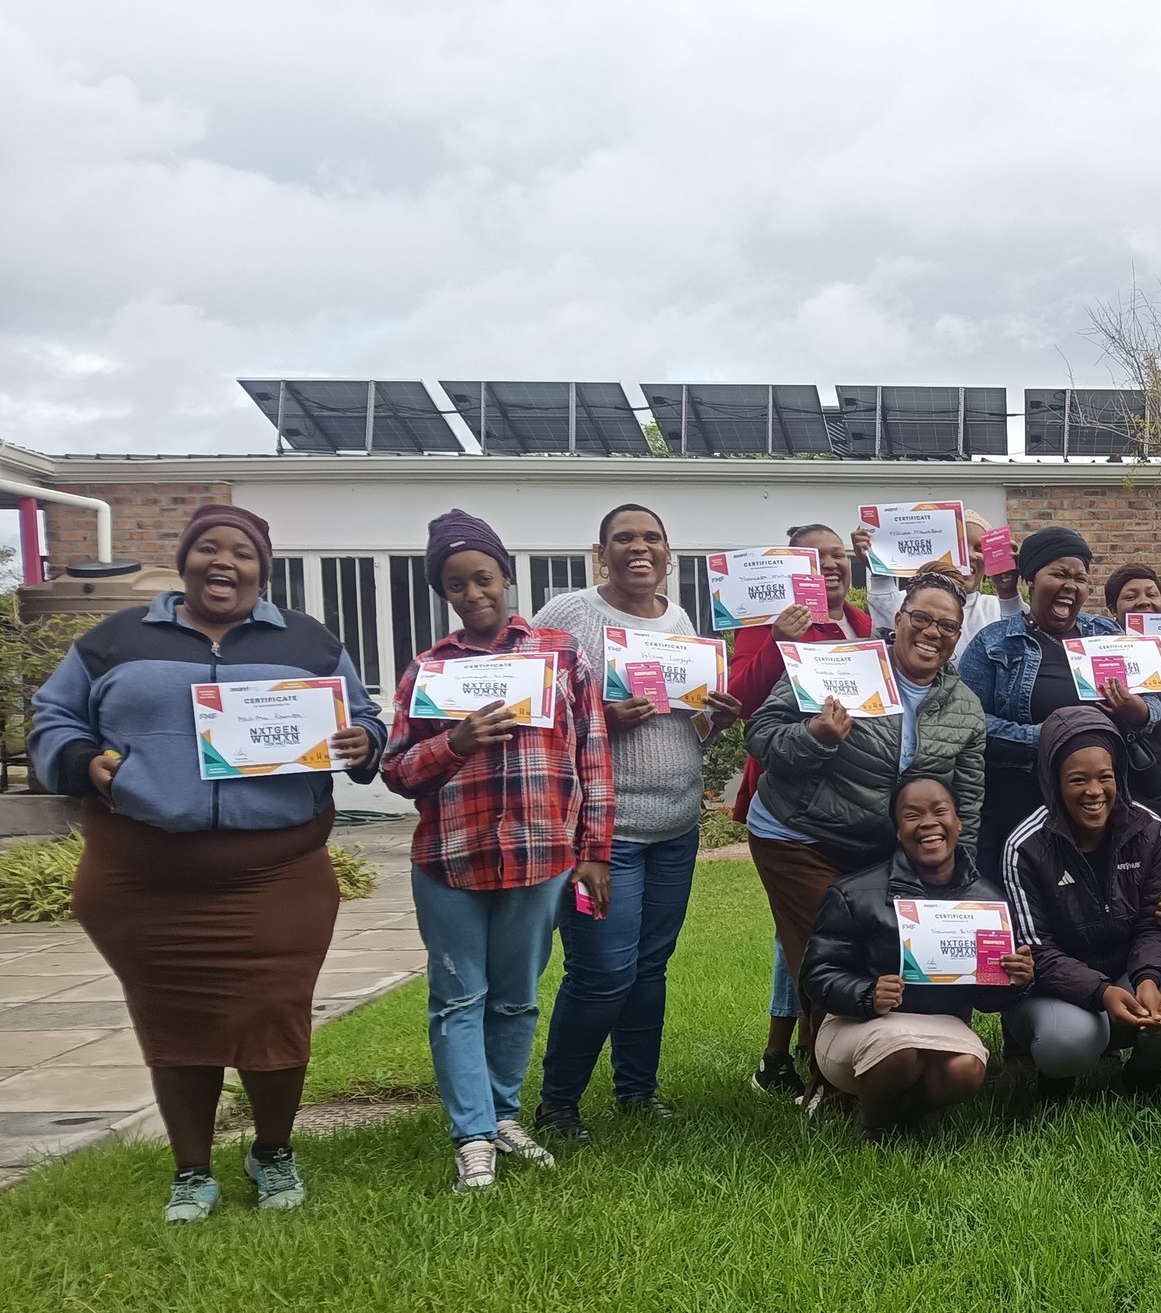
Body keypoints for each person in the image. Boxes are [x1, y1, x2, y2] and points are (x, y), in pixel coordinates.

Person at [31, 504, 386, 1222]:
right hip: (145, 874)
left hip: (276, 868)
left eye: (243, 553)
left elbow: (365, 717)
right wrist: (81, 763)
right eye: (208, 549)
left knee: (276, 1009)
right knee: (171, 1017)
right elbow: (54, 718)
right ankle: (191, 1168)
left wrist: (362, 742)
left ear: (264, 569)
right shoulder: (115, 639)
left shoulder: (310, 643)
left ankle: (273, 1150)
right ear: (185, 559)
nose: (225, 563)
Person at [382, 512, 613, 1190]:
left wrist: (594, 849)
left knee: (515, 999)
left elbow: (592, 756)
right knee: (458, 998)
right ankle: (473, 1137)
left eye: (483, 576)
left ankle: (504, 1111)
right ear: (444, 591)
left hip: (541, 857)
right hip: (451, 859)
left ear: (506, 575)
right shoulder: (429, 669)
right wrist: (453, 743)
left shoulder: (559, 654)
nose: (472, 591)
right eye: (456, 583)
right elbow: (395, 770)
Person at [530, 504, 741, 1137]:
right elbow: (533, 707)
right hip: (602, 832)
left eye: (652, 538)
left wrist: (716, 720)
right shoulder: (567, 615)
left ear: (669, 553)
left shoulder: (679, 622)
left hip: (675, 826)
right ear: (602, 552)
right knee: (602, 973)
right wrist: (600, 717)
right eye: (624, 539)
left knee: (651, 967)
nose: (638, 548)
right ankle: (558, 1102)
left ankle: (637, 1091)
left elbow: (683, 729)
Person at [745, 570, 989, 1093]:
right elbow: (761, 735)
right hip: (798, 834)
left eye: (947, 625)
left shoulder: (965, 707)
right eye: (921, 617)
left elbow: (965, 802)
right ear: (897, 619)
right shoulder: (839, 665)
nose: (932, 632)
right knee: (822, 951)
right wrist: (815, 736)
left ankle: (894, 1061)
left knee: (878, 956)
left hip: (878, 850)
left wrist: (955, 887)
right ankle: (827, 1089)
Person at [725, 521, 872, 1099]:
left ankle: (787, 1057)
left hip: (858, 808)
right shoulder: (769, 626)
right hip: (793, 808)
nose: (832, 565)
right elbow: (740, 703)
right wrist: (777, 640)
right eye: (817, 557)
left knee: (817, 936)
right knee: (812, 939)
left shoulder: (861, 624)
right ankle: (823, 1073)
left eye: (839, 556)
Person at [800, 774, 1034, 1130]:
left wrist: (1014, 979)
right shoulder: (853, 892)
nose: (928, 823)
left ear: (959, 822)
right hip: (864, 1023)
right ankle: (875, 1130)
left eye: (940, 811)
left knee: (966, 1070)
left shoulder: (987, 900)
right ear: (897, 830)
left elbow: (986, 998)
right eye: (912, 815)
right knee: (900, 1053)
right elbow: (817, 974)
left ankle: (900, 1117)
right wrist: (867, 994)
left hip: (943, 1025)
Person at [1000, 705, 1161, 1090]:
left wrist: (1146, 978)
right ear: (1053, 781)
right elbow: (1036, 949)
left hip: (1126, 969)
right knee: (1071, 1038)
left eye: (1105, 777)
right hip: (1053, 987)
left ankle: (1141, 1075)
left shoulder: (1147, 827)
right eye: (1077, 780)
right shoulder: (1024, 846)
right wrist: (1101, 992)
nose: (1094, 792)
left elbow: (1153, 919)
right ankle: (1054, 1075)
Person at [959, 527, 1161, 883]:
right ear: (1029, 579)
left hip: (1100, 801)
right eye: (1059, 574)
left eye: (1080, 578)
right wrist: (1044, 737)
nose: (1071, 585)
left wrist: (1140, 711)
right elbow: (968, 721)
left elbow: (1153, 699)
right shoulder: (993, 643)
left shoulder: (1106, 634)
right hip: (1022, 799)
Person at [1100, 561, 1161, 826]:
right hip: (1117, 769)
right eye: (1130, 596)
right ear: (1112, 609)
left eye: (1151, 594)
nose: (1144, 601)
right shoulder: (1100, 651)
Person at [862, 509, 1009, 647]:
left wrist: (1008, 590)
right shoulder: (906, 600)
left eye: (979, 549)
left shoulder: (996, 607)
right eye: (959, 547)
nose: (969, 555)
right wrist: (878, 564)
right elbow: (886, 618)